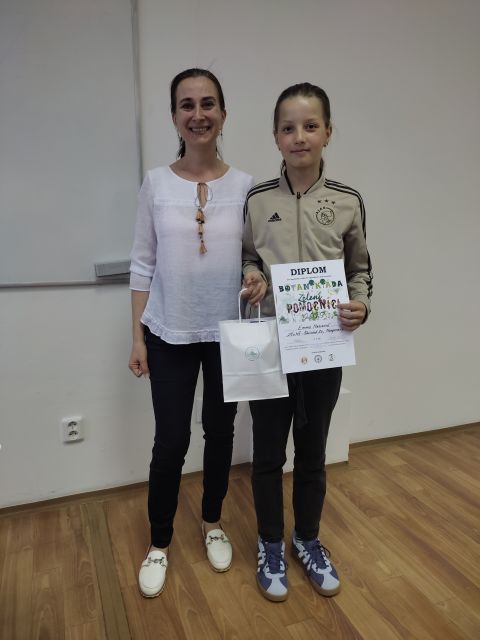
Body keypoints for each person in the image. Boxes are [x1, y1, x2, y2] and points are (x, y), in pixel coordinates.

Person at [242, 82, 373, 602]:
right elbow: (247, 257)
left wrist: (361, 305)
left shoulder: (347, 201)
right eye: (289, 128)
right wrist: (253, 276)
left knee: (313, 451)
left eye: (310, 126)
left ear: (328, 132)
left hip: (323, 346)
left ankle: (308, 539)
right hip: (271, 347)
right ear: (276, 136)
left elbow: (359, 269)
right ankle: (271, 542)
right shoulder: (258, 201)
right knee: (268, 453)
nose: (300, 136)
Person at [128, 68, 254, 598]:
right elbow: (142, 263)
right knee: (171, 441)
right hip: (169, 331)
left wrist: (256, 278)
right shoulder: (156, 183)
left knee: (220, 435)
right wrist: (138, 337)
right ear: (174, 115)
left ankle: (212, 521)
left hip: (228, 334)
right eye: (187, 104)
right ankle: (159, 541)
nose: (198, 114)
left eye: (207, 104)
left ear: (223, 113)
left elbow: (254, 258)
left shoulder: (246, 186)